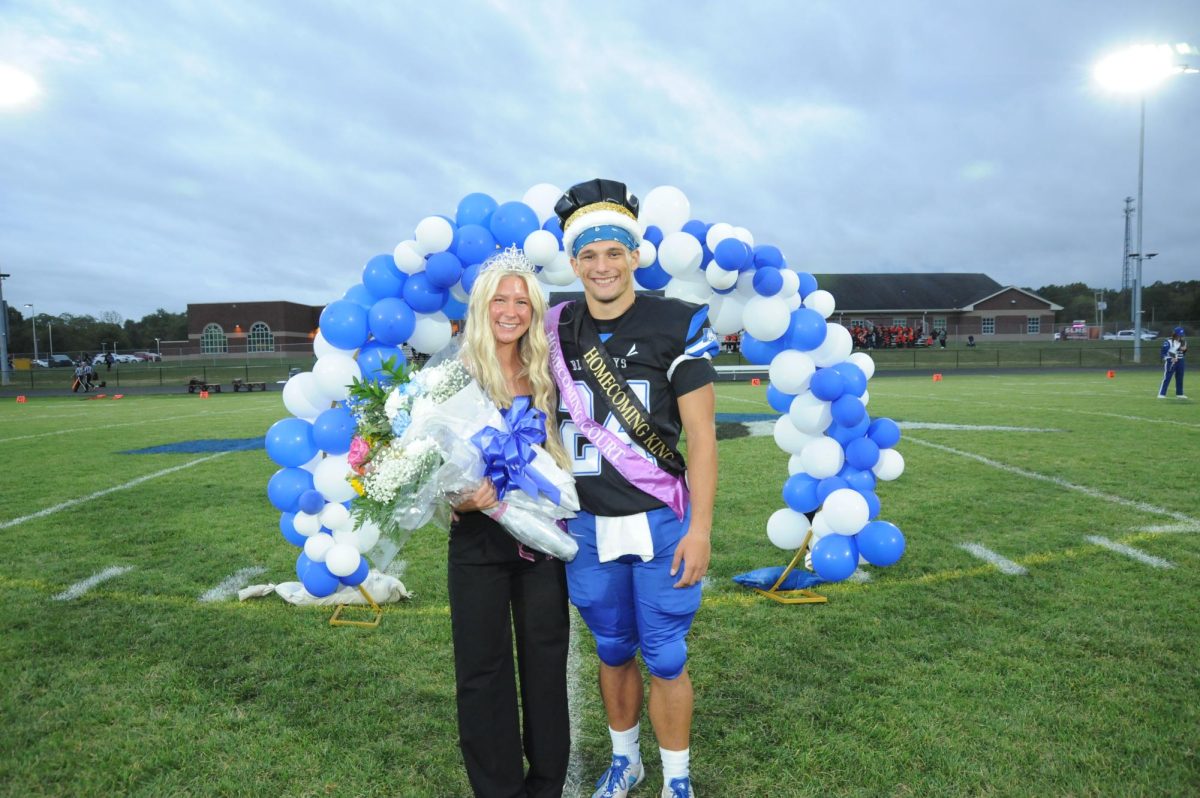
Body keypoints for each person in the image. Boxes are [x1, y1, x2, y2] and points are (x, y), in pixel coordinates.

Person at [548, 178, 718, 798]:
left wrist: (699, 527)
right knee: (613, 647)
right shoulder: (555, 329)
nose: (602, 265)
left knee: (666, 654)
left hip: (661, 517)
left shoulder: (676, 321)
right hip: (587, 523)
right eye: (589, 255)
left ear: (635, 255)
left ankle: (677, 778)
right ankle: (628, 761)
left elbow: (701, 436)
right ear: (574, 262)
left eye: (614, 251)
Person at [447, 249, 573, 798]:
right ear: (482, 304)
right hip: (477, 537)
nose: (511, 309)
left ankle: (546, 787)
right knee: (482, 671)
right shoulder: (453, 375)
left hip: (540, 538)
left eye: (523, 301)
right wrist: (457, 496)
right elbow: (428, 464)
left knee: (546, 668)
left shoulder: (548, 369)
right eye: (501, 298)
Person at [1158, 326, 1188, 399]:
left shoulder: (1183, 342)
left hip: (1180, 361)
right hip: (1171, 362)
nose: (1180, 336)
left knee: (1180, 377)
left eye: (1181, 335)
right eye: (1179, 334)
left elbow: (1183, 353)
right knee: (1167, 377)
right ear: (1175, 334)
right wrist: (1170, 358)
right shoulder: (1168, 341)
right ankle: (1162, 394)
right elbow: (1163, 353)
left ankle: (1179, 394)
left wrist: (1184, 350)